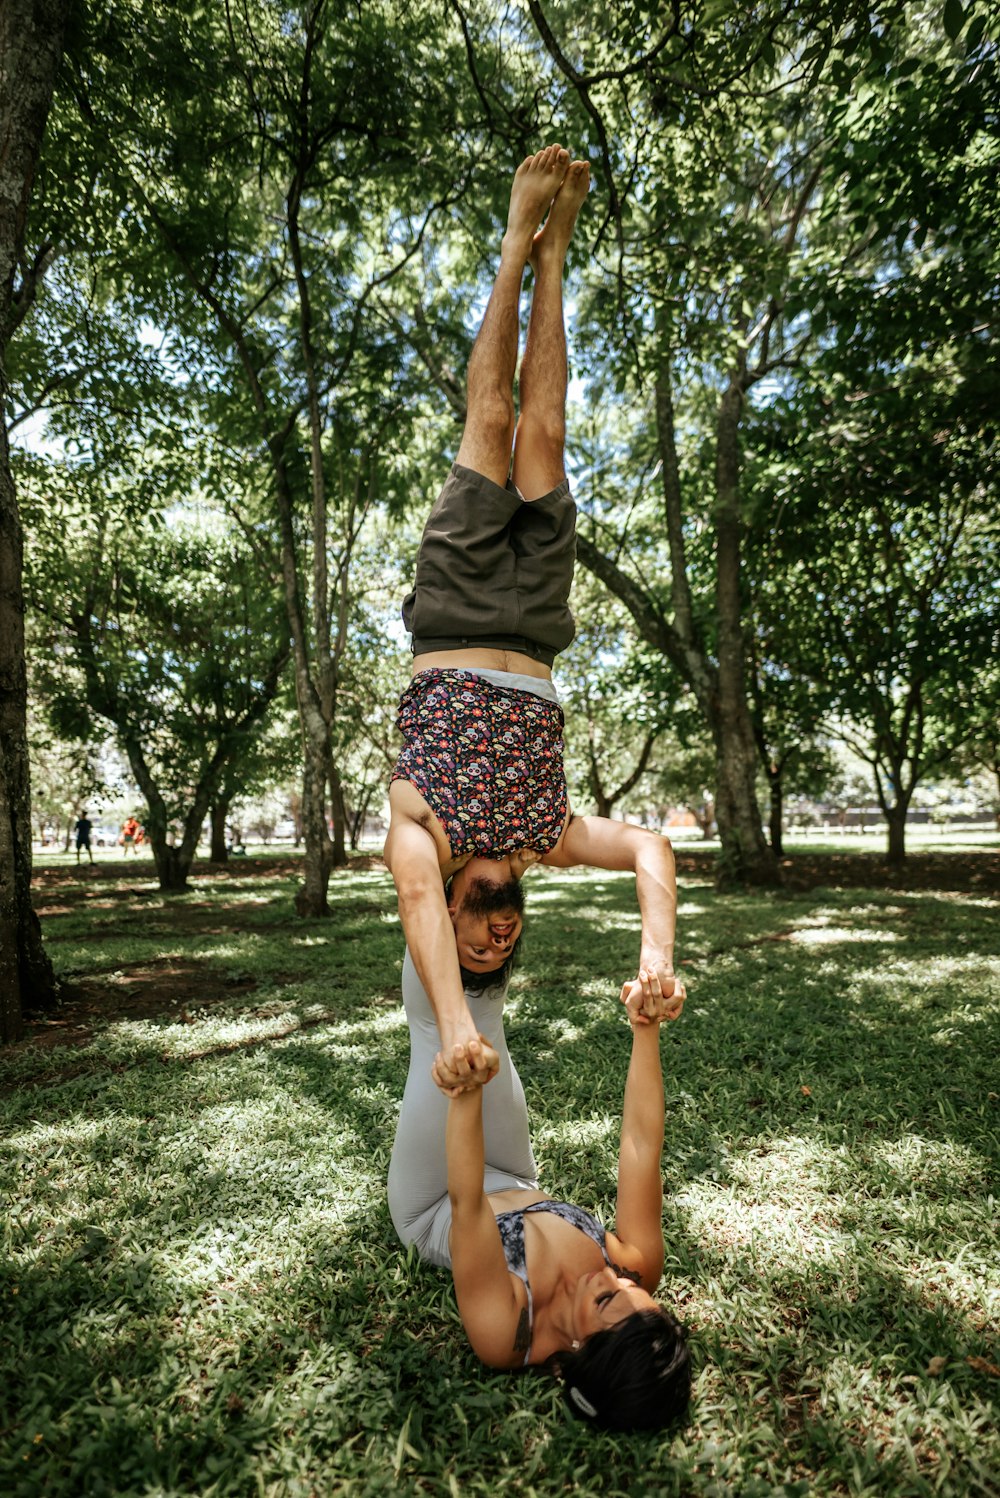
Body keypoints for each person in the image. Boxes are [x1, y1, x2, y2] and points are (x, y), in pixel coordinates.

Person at [384, 146, 684, 1094]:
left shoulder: (418, 828)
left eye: (478, 941)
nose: (492, 935)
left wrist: (455, 1022)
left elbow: (420, 907)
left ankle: (516, 242)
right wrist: (656, 956)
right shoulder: (541, 832)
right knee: (545, 437)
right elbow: (650, 847)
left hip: (455, 612)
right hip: (541, 628)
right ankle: (559, 256)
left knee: (491, 421)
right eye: (497, 946)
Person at [388, 955, 691, 1431]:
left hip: (436, 1200)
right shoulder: (636, 1267)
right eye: (633, 1290)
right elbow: (640, 1145)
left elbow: (467, 1206)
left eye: (606, 1301)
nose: (614, 1278)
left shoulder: (506, 1332)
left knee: (440, 1034)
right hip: (515, 1175)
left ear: (576, 1350)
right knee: (483, 1011)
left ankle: (422, 892)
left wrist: (467, 1088)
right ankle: (459, 894)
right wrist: (646, 1027)